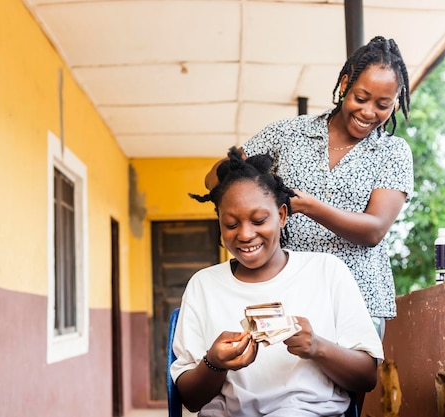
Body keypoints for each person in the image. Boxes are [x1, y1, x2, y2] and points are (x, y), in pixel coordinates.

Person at [205, 36, 414, 333]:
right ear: (344, 85)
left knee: (352, 377)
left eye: (383, 105)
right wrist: (231, 167)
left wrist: (309, 207)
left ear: (395, 103)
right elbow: (215, 180)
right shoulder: (287, 133)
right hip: (286, 294)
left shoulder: (394, 153)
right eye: (361, 98)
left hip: (357, 298)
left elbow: (374, 229)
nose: (369, 112)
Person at [172, 147, 383, 416]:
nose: (246, 234)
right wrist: (214, 363)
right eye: (231, 224)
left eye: (259, 220)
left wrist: (317, 347)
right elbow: (190, 400)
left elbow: (367, 378)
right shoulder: (204, 285)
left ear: (282, 215)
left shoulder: (327, 271)